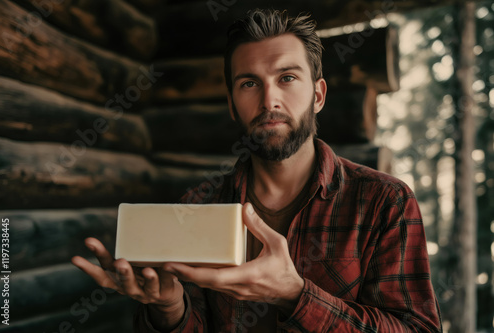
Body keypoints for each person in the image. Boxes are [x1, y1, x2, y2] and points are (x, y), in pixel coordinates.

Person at [72, 9, 442, 332]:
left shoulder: (385, 202)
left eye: (287, 78)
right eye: (249, 83)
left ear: (318, 95)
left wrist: (295, 296)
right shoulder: (198, 205)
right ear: (233, 105)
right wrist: (170, 309)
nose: (269, 101)